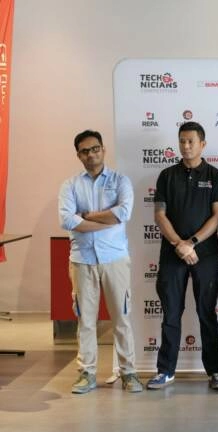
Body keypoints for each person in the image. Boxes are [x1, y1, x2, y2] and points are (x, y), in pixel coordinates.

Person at [58, 129, 143, 394]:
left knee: (121, 319)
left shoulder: (120, 181)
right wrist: (106, 221)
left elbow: (124, 212)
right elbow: (67, 220)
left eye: (95, 148)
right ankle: (87, 373)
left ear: (103, 150)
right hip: (82, 260)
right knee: (86, 321)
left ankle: (129, 373)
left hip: (114, 259)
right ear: (79, 155)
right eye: (85, 151)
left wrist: (87, 216)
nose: (91, 154)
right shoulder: (70, 185)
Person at [147, 121, 218, 390]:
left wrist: (191, 243)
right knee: (171, 313)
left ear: (202, 144)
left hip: (205, 254)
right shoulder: (166, 175)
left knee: (207, 312)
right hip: (172, 254)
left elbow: (217, 217)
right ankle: (165, 370)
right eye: (182, 141)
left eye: (191, 141)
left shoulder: (216, 176)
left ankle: (215, 371)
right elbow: (160, 215)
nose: (186, 146)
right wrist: (178, 244)